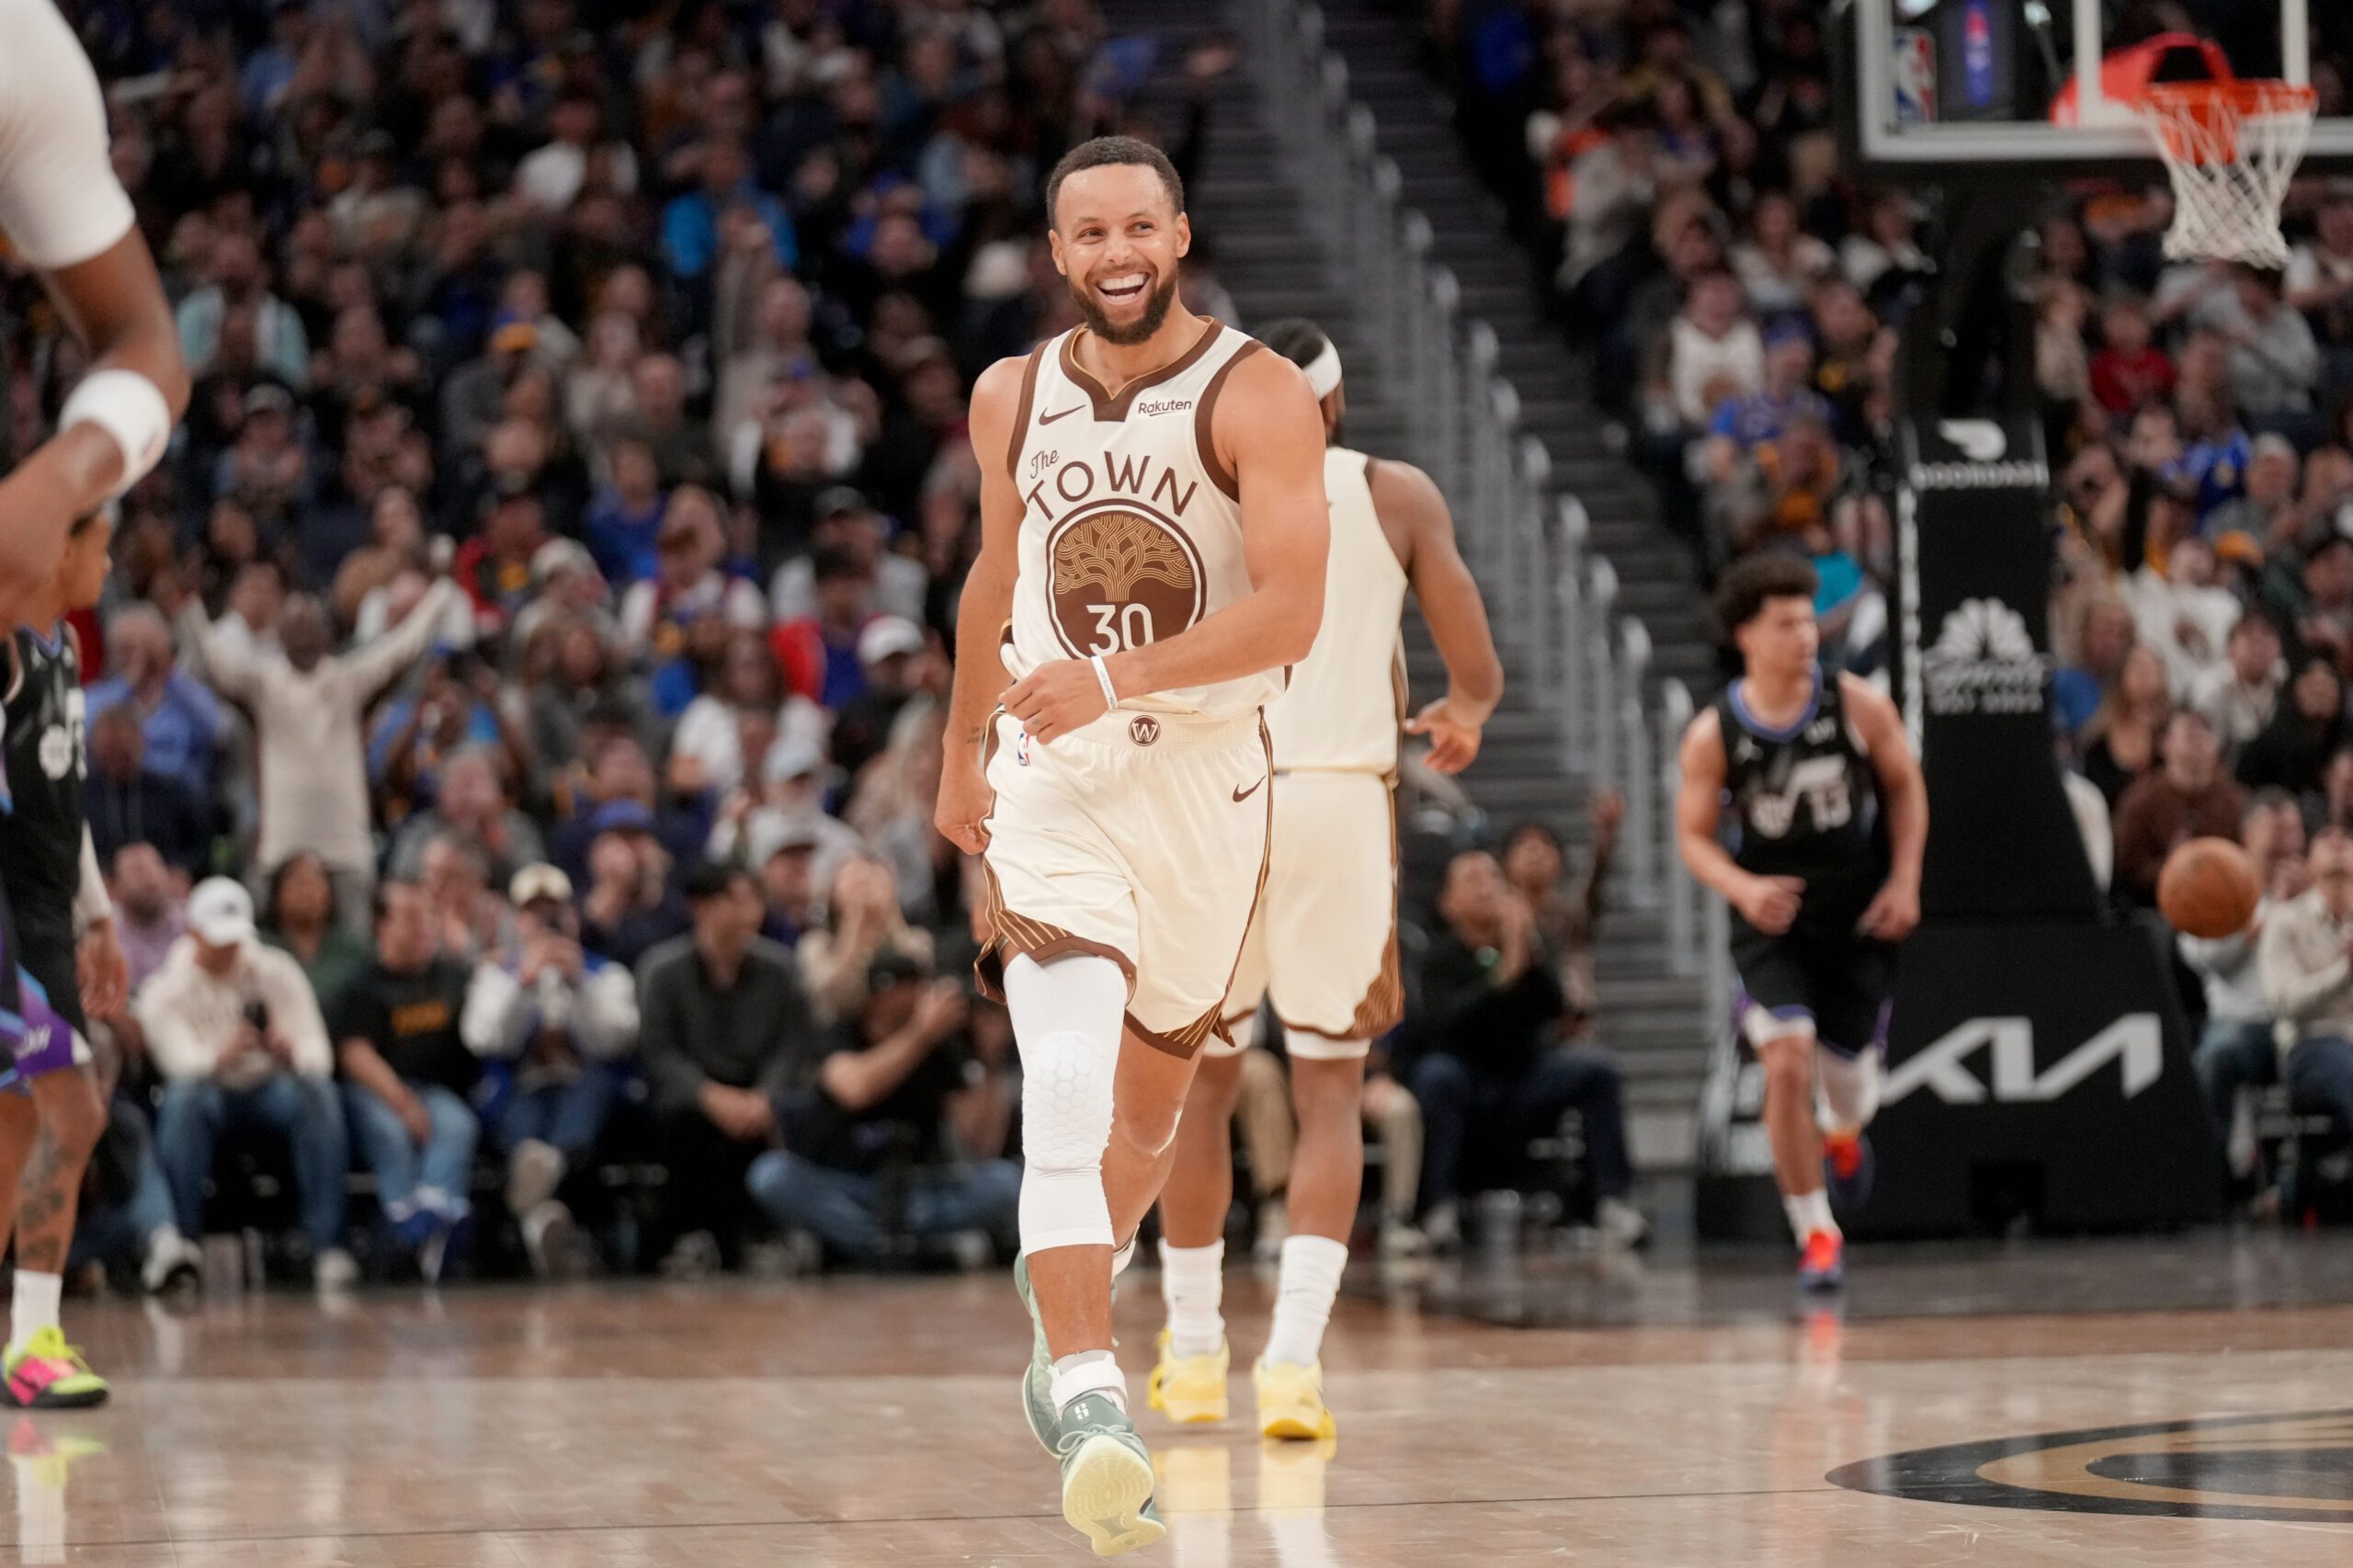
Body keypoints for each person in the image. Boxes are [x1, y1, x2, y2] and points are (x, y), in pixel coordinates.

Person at [932, 136, 1328, 1554]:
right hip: (1056, 778)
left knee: (1154, 1116)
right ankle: (1097, 1396)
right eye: (1087, 231)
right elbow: (994, 572)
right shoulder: (1009, 394)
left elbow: (1290, 612)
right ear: (1056, 251)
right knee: (1068, 1076)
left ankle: (1064, 1321)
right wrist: (958, 745)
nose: (1115, 252)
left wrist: (1118, 674)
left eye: (1138, 228)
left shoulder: (1257, 394)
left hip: (1208, 785)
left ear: (1177, 235)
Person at [1148, 318, 1504, 1444]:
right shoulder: (1394, 493)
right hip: (1340, 804)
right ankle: (1293, 1365)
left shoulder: (1190, 494)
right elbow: (1475, 666)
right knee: (1329, 1091)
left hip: (1218, 804)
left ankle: (1194, 1353)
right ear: (1337, 406)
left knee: (1199, 1091)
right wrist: (1465, 714)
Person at [1674, 553, 1927, 1291]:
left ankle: (1844, 1137)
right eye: (1785, 623)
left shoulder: (1856, 705)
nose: (1805, 634)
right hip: (1772, 920)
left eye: (1808, 619)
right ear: (1746, 635)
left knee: (1850, 1089)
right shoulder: (1713, 732)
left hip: (1855, 914)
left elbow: (1907, 789)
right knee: (1785, 1062)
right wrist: (1741, 887)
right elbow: (1692, 836)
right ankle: (1816, 1231)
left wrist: (1907, 879)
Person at [0, 512, 123, 1406]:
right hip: (6, 918)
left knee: (15, 1129)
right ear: (58, 551)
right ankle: (34, 1344)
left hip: (46, 911)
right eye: (100, 545)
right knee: (72, 1113)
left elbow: (63, 809)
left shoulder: (64, 653)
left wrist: (100, 917)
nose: (109, 562)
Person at [180, 570, 464, 923]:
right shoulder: (263, 686)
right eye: (294, 626)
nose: (302, 633)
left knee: (357, 945)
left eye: (309, 625)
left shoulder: (349, 680)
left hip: (345, 846)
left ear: (326, 634)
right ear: (280, 635)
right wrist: (189, 607)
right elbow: (213, 663)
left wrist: (437, 599)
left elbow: (402, 647)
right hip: (281, 844)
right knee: (272, 941)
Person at [1404, 849, 1643, 1245]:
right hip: (1466, 1080)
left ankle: (1611, 1201)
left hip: (1522, 1077)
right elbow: (1447, 1026)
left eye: (1493, 878)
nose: (1486, 888)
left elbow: (1555, 1007)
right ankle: (1437, 1208)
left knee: (1598, 1071)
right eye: (1473, 880)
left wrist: (1527, 946)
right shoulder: (1438, 958)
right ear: (1448, 903)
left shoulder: (1525, 947)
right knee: (1435, 1076)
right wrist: (1506, 972)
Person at [137, 880, 352, 1289]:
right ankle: (185, 1244)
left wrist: (289, 1052)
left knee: (317, 1094)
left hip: (271, 1087)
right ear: (194, 932)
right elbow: (176, 1064)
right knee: (184, 1101)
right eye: (219, 939)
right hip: (210, 1091)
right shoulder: (165, 989)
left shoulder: (276, 970)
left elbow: (318, 1056)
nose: (230, 949)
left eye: (236, 938)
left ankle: (328, 1246)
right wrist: (221, 1055)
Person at [747, 953, 1019, 1266]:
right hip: (845, 1184)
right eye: (911, 988)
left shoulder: (942, 1042)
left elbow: (982, 1143)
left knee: (1005, 1182)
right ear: (882, 995)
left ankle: (872, 1246)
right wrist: (921, 1033)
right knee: (771, 1175)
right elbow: (855, 1090)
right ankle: (900, 1249)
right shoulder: (840, 1033)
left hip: (916, 1189)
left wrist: (989, 1059)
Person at [636, 862, 814, 1274]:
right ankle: (696, 1237)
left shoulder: (780, 969)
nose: (750, 913)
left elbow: (791, 1047)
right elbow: (659, 1052)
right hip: (694, 1097)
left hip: (758, 1095)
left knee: (792, 1114)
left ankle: (764, 1237)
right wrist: (710, 1095)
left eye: (754, 901)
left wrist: (764, 1096)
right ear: (702, 907)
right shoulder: (661, 970)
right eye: (737, 901)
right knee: (680, 1120)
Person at [461, 865, 638, 1278]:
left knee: (592, 1087)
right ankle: (548, 1216)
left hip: (581, 1093)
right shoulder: (494, 975)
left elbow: (614, 1040)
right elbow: (485, 1039)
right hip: (521, 1092)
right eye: (533, 914)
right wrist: (523, 981)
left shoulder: (606, 974)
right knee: (520, 1117)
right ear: (517, 921)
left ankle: (535, 1197)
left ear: (572, 918)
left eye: (554, 914)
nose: (545, 925)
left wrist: (579, 984)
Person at [331, 881, 481, 1282]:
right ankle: (405, 1229)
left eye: (430, 918)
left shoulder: (453, 978)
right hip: (375, 1092)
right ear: (381, 926)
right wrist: (400, 1100)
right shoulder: (362, 985)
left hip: (438, 1093)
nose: (424, 929)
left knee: (456, 1125)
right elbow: (354, 1055)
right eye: (412, 919)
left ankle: (432, 1219)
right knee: (391, 1135)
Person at [2181, 791, 2303, 1192]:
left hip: (2305, 1019)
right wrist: (2273, 913)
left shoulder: (2321, 881)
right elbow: (2208, 959)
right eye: (2276, 830)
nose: (2286, 842)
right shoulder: (2219, 884)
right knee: (2217, 1056)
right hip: (2243, 1021)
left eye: (2293, 830)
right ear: (2248, 834)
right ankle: (2215, 1180)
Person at [2257, 826, 2353, 1154]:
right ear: (2308, 863)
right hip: (2312, 1043)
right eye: (2327, 840)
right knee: (2341, 1066)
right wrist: (2345, 972)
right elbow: (2283, 1002)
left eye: (2346, 841)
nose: (2339, 845)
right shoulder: (2285, 921)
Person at [2112, 712, 2247, 911]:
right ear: (2164, 745)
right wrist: (2172, 867)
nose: (2199, 741)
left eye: (2205, 734)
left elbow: (2250, 858)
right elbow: (2127, 870)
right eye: (2190, 735)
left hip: (2227, 903)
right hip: (2157, 908)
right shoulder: (2140, 801)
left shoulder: (2236, 801)